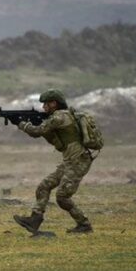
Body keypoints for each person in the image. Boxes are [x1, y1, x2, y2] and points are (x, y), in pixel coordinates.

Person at [13, 90, 94, 234]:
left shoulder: (59, 117)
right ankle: (35, 220)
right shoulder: (63, 115)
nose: (44, 107)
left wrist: (21, 124)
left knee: (62, 197)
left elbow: (38, 131)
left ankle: (84, 224)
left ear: (54, 103)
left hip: (78, 161)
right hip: (71, 161)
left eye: (46, 104)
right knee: (44, 187)